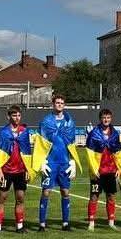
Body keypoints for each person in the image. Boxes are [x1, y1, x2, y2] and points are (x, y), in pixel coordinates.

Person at [34, 94, 80, 231]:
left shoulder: (69, 122)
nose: (59, 105)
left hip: (64, 162)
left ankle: (65, 223)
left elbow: (71, 143)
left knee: (65, 192)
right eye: (57, 102)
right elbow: (40, 142)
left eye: (61, 103)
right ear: (53, 104)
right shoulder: (45, 122)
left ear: (64, 105)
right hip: (50, 162)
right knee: (46, 192)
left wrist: (72, 161)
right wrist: (42, 161)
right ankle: (42, 224)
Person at [0, 105, 33, 233]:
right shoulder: (3, 132)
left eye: (19, 115)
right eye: (14, 115)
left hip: (20, 171)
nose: (17, 118)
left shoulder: (24, 132)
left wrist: (28, 169)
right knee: (2, 197)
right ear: (8, 116)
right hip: (6, 171)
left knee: (20, 198)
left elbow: (27, 152)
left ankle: (19, 226)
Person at [85, 108, 121, 231]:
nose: (106, 120)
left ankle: (111, 222)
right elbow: (89, 153)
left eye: (108, 117)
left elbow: (118, 152)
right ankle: (91, 223)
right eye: (104, 118)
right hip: (98, 172)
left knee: (111, 196)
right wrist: (94, 168)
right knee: (94, 196)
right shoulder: (94, 133)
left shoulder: (115, 134)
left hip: (111, 170)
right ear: (100, 119)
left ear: (111, 119)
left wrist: (118, 168)